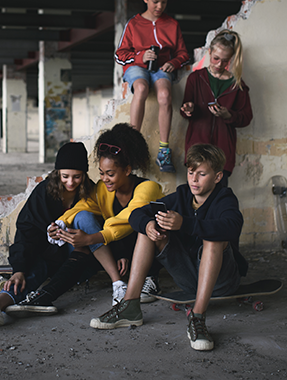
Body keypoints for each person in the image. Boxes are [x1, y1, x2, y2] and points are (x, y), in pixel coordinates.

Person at [89, 144, 248, 352]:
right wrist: (148, 225)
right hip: (189, 279)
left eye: (201, 174)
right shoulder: (182, 196)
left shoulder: (225, 198)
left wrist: (185, 224)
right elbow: (137, 214)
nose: (194, 179)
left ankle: (197, 317)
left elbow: (232, 227)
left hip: (222, 280)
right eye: (191, 173)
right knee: (149, 228)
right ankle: (130, 306)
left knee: (214, 236)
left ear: (217, 177)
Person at [6, 123, 165, 314]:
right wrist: (59, 224)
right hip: (117, 251)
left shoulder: (149, 188)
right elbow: (84, 206)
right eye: (101, 173)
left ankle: (150, 278)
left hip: (145, 252)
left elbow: (126, 220)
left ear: (127, 170)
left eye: (110, 174)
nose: (104, 179)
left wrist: (90, 238)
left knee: (141, 230)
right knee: (82, 241)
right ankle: (45, 296)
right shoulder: (102, 190)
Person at [0, 142, 93, 327]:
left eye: (77, 177)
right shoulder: (44, 191)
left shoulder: (92, 192)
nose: (70, 182)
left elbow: (102, 223)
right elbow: (28, 229)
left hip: (81, 253)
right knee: (32, 269)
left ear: (84, 175)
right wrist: (19, 269)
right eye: (65, 176)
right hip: (48, 254)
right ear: (57, 172)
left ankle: (26, 298)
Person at [115, 0, 190, 173]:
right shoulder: (133, 23)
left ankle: (164, 151)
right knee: (141, 88)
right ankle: (132, 145)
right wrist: (140, 56)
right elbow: (120, 54)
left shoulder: (172, 24)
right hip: (136, 66)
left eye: (164, 2)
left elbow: (183, 54)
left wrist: (172, 63)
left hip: (161, 68)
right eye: (155, 1)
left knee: (165, 96)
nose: (160, 6)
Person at [180, 29, 253, 187]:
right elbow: (185, 110)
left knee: (219, 199)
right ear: (210, 52)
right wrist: (188, 109)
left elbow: (246, 117)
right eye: (216, 58)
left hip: (222, 154)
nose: (219, 64)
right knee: (194, 199)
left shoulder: (237, 85)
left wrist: (229, 115)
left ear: (231, 59)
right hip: (196, 150)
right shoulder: (196, 78)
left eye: (225, 60)